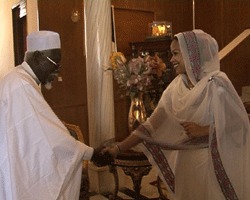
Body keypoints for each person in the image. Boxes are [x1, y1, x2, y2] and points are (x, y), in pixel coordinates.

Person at [104, 30, 250, 199]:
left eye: (175, 54)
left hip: (210, 165)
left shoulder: (216, 85)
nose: (171, 59)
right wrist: (118, 148)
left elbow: (241, 123)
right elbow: (150, 126)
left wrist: (205, 130)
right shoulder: (176, 87)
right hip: (185, 165)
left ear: (191, 55)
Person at [0, 31, 112, 200]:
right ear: (38, 57)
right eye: (55, 63)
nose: (57, 71)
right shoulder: (20, 85)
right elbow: (49, 138)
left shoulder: (19, 78)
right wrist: (91, 153)